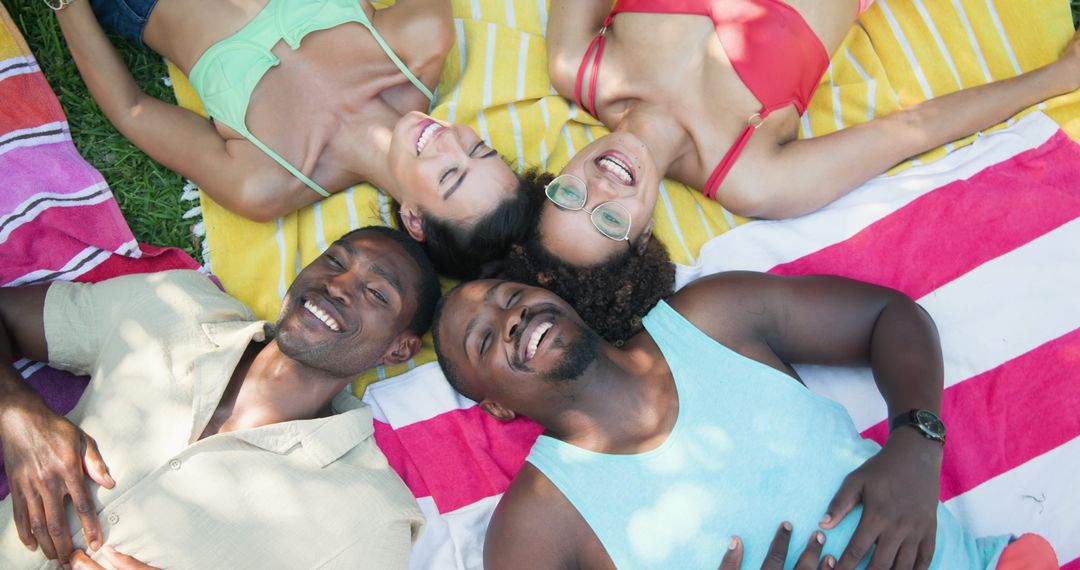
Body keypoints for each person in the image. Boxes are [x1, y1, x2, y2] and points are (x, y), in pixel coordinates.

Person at [431, 274, 1059, 569]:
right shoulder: (533, 527)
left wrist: (917, 444)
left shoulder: (711, 318)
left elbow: (887, 317)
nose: (509, 316)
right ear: (495, 404)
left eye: (511, 297)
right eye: (485, 339)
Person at [0, 225, 441, 569]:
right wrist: (20, 415)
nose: (339, 284)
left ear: (398, 349)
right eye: (334, 260)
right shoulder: (173, 306)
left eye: (376, 293)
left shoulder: (370, 516)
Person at [538, 1, 1080, 268]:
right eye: (608, 220)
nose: (601, 189)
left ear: (555, 176)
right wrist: (1058, 78)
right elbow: (914, 129)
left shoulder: (579, 62)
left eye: (570, 197)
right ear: (642, 239)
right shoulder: (752, 178)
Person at [47, 0, 540, 277]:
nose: (447, 142)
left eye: (450, 174)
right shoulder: (419, 41)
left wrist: (65, 3)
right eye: (479, 148)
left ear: (413, 218)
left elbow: (134, 111)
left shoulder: (267, 180)